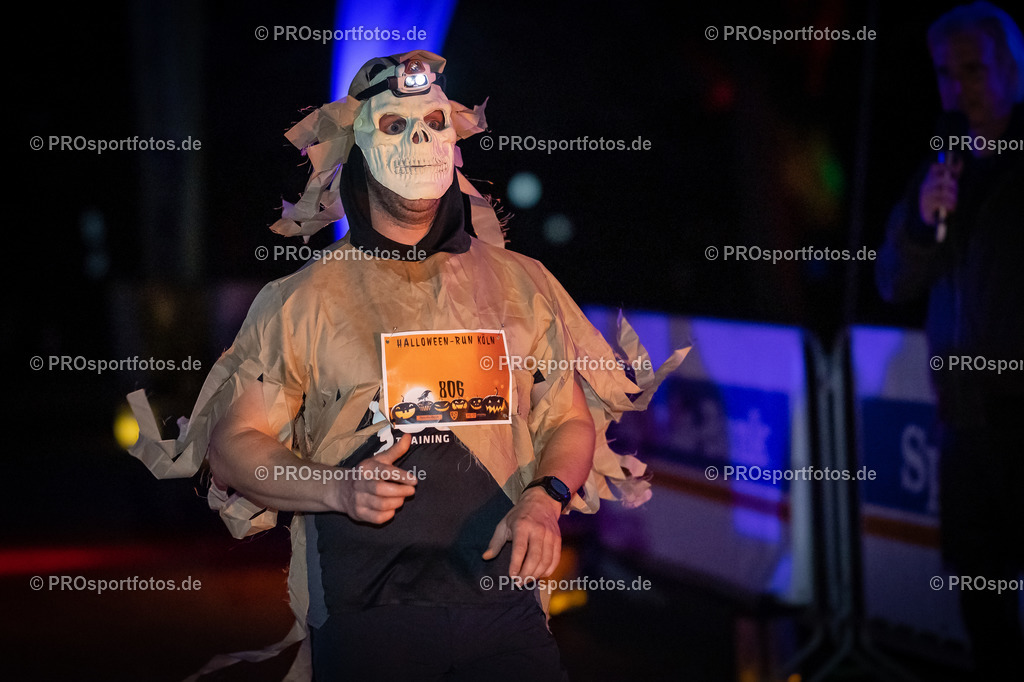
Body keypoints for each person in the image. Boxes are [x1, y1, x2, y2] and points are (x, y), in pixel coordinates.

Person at [127, 50, 686, 681]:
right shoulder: (306, 299)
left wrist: (545, 497)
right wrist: (334, 487)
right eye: (395, 125)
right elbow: (233, 446)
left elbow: (568, 420)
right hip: (370, 616)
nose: (419, 138)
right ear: (361, 149)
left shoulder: (521, 284)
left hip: (505, 614)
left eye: (434, 122)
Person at [875, 3, 1024, 678]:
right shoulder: (944, 166)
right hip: (964, 423)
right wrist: (919, 217)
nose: (957, 86)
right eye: (944, 72)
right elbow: (893, 282)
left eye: (973, 68)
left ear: (1013, 71)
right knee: (981, 591)